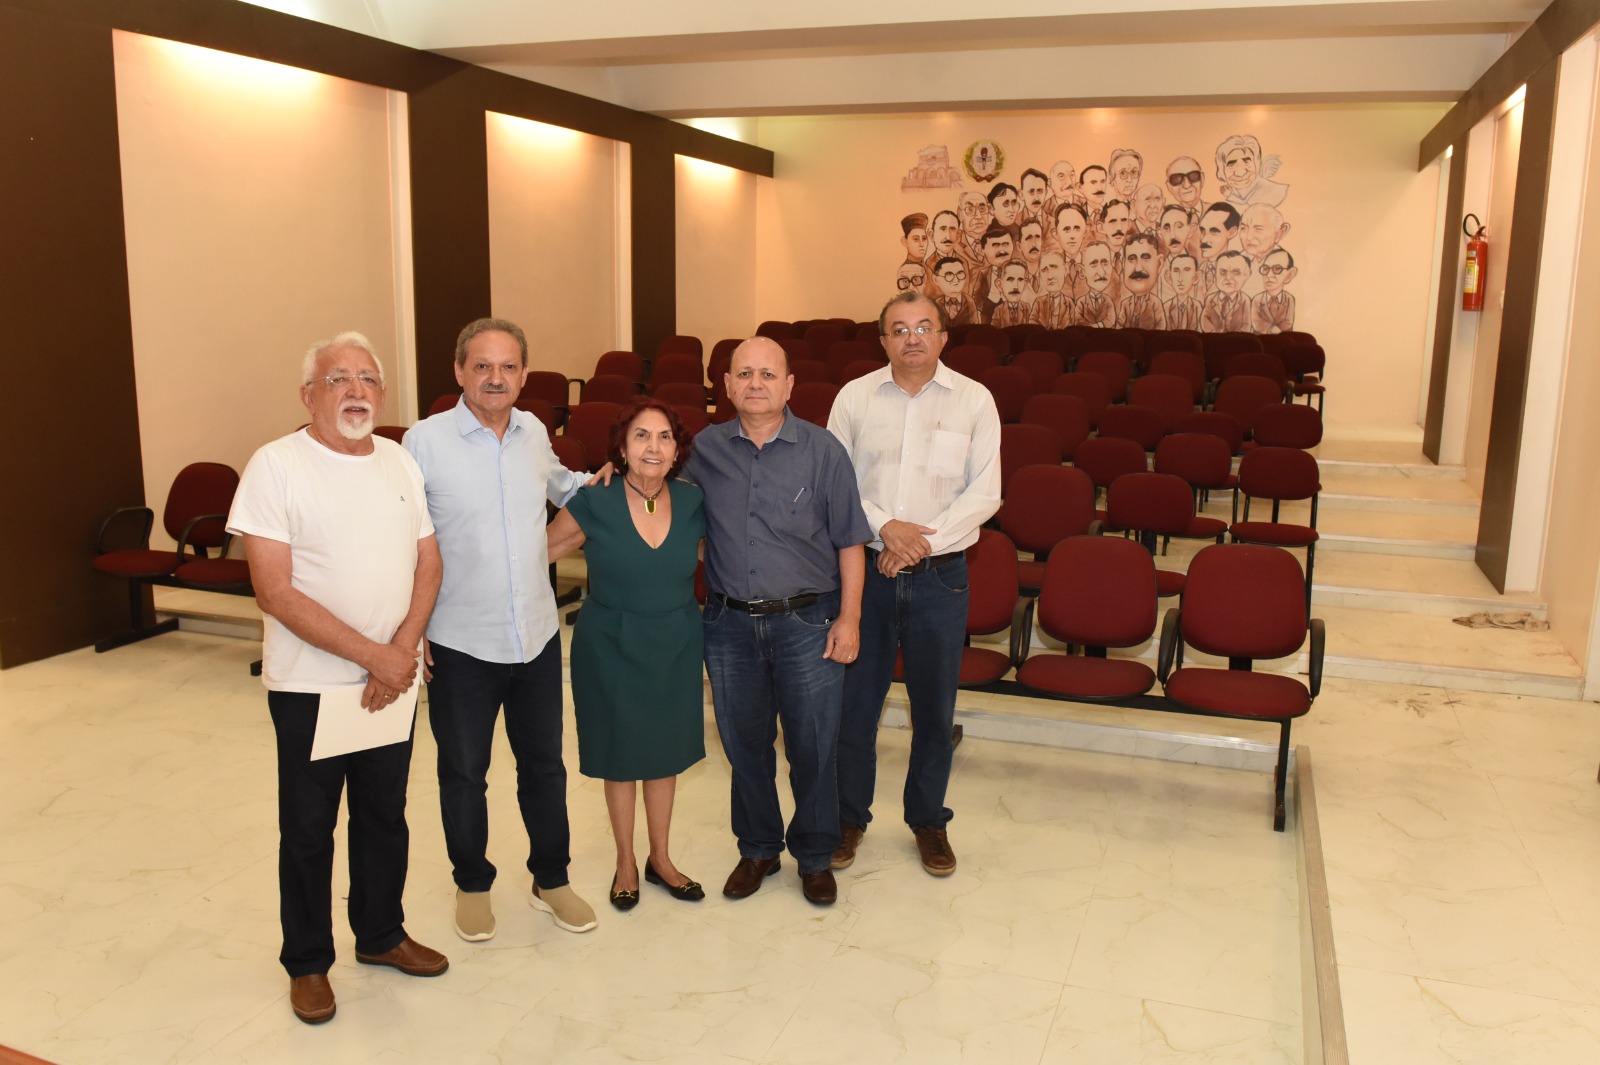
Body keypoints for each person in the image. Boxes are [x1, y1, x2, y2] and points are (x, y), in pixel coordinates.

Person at [228, 332, 446, 1025]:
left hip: (392, 678)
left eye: (367, 379)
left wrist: (402, 647)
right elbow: (275, 591)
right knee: (309, 827)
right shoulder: (276, 466)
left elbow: (429, 561)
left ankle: (381, 934)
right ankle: (309, 962)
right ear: (308, 395)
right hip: (311, 686)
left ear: (382, 394)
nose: (355, 391)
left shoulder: (398, 459)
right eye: (338, 379)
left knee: (385, 815)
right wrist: (373, 655)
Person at [402, 317, 603, 945]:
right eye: (482, 366)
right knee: (464, 772)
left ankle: (552, 878)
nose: (496, 378)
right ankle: (473, 884)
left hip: (537, 636)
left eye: (509, 367)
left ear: (523, 375)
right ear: (459, 371)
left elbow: (565, 487)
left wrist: (612, 482)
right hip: (460, 639)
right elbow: (400, 542)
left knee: (544, 767)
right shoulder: (422, 443)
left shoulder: (534, 431)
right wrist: (411, 628)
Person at [686, 337, 871, 907]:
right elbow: (662, 510)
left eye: (769, 373)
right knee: (745, 747)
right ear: (726, 385)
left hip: (808, 624)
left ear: (790, 385)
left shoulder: (823, 451)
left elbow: (850, 543)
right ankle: (759, 847)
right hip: (728, 624)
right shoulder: (704, 450)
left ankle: (814, 856)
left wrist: (850, 618)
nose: (756, 383)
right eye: (744, 373)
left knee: (814, 747)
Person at [828, 293, 1001, 879]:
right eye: (898, 329)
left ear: (943, 336)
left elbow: (985, 492)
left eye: (924, 327)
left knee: (934, 711)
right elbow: (837, 483)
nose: (912, 338)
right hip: (866, 577)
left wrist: (915, 544)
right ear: (882, 340)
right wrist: (887, 529)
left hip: (941, 578)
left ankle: (928, 820)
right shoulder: (854, 398)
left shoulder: (975, 400)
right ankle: (847, 818)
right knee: (856, 709)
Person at [546, 400, 707, 909]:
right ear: (621, 446)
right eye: (641, 436)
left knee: (664, 757)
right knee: (620, 758)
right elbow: (535, 554)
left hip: (676, 641)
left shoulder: (695, 501)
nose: (653, 447)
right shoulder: (596, 500)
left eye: (664, 437)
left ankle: (661, 858)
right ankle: (625, 862)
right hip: (610, 643)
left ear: (677, 450)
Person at [1117, 232, 1167, 329]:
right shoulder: (1125, 304)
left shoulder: (1156, 303)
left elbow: (1161, 327)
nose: (1138, 268)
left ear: (1159, 264)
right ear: (1123, 265)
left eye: (1145, 258)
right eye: (1131, 259)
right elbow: (1119, 326)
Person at [1203, 250, 1254, 332]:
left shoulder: (1245, 300)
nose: (1228, 278)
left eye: (1236, 272)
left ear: (1247, 274)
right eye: (1223, 272)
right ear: (1215, 274)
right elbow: (1205, 321)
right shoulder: (1210, 299)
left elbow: (1246, 325)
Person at [1252, 247, 1299, 334]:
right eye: (1265, 269)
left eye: (1277, 269)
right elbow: (1256, 322)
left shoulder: (1289, 299)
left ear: (1289, 274)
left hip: (1283, 340)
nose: (1269, 275)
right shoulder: (1257, 299)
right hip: (1261, 341)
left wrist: (1279, 331)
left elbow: (1288, 322)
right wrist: (1270, 329)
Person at [1075, 240, 1117, 328]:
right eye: (1093, 265)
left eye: (1105, 263)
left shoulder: (1108, 301)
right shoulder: (1081, 302)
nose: (1101, 273)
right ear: (1082, 272)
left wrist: (1099, 326)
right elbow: (1078, 320)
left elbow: (1111, 319)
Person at [1164, 253, 1205, 331]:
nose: (1180, 279)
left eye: (1187, 270)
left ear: (1196, 277)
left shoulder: (1197, 306)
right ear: (1169, 277)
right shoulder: (1166, 307)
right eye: (1176, 271)